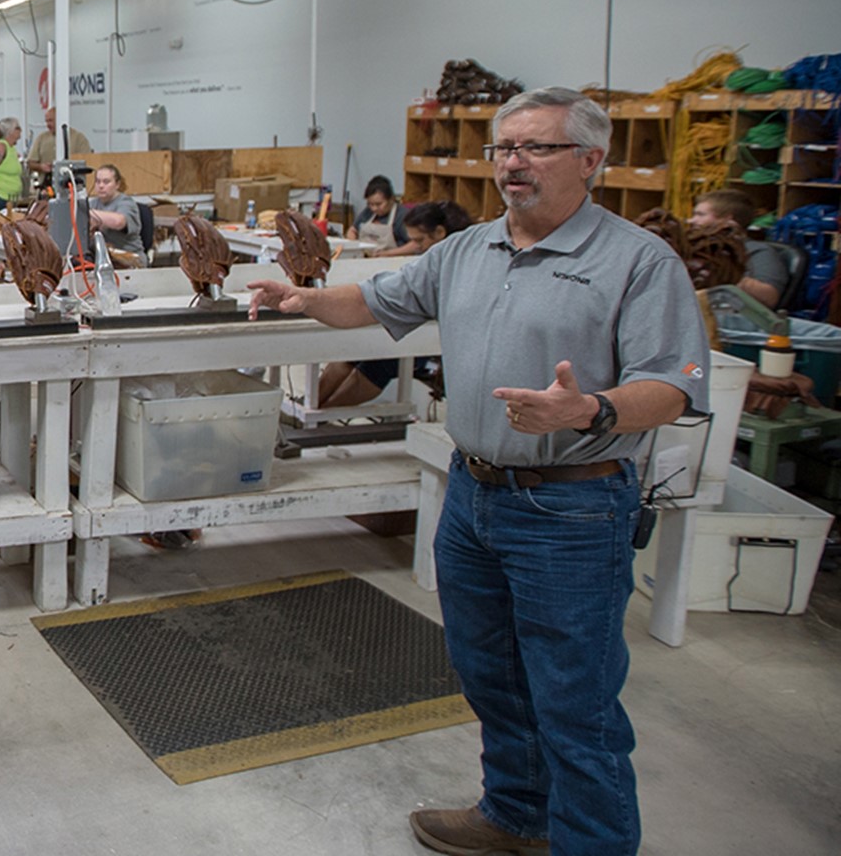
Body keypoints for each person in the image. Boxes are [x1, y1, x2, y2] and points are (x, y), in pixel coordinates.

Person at [250, 87, 708, 856]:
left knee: (577, 704)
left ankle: (589, 843)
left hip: (574, 508)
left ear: (591, 160)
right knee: (490, 676)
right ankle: (516, 816)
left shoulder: (635, 261)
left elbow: (674, 387)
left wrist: (586, 410)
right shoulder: (467, 249)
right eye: (504, 148)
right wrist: (302, 298)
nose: (512, 164)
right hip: (474, 496)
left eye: (536, 148)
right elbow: (373, 299)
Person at [316, 200, 471, 408]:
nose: (416, 246)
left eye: (419, 241)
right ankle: (316, 406)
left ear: (440, 233)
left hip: (438, 340)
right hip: (416, 326)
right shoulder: (431, 259)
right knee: (355, 349)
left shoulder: (462, 262)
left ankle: (329, 410)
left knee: (383, 363)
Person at [690, 188, 790, 308]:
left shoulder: (758, 251)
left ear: (728, 220)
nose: (691, 220)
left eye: (700, 215)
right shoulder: (695, 248)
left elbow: (770, 297)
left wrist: (724, 272)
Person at [87, 164, 144, 265]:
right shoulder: (93, 204)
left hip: (129, 258)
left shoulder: (126, 202)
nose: (101, 186)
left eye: (106, 182)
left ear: (117, 184)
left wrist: (88, 212)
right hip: (102, 258)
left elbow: (118, 222)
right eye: (97, 181)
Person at [349, 175, 416, 255]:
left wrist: (387, 253)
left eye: (378, 204)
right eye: (370, 204)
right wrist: (354, 247)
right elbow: (352, 230)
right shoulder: (368, 212)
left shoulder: (402, 215)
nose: (374, 208)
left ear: (391, 199)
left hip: (391, 261)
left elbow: (415, 245)